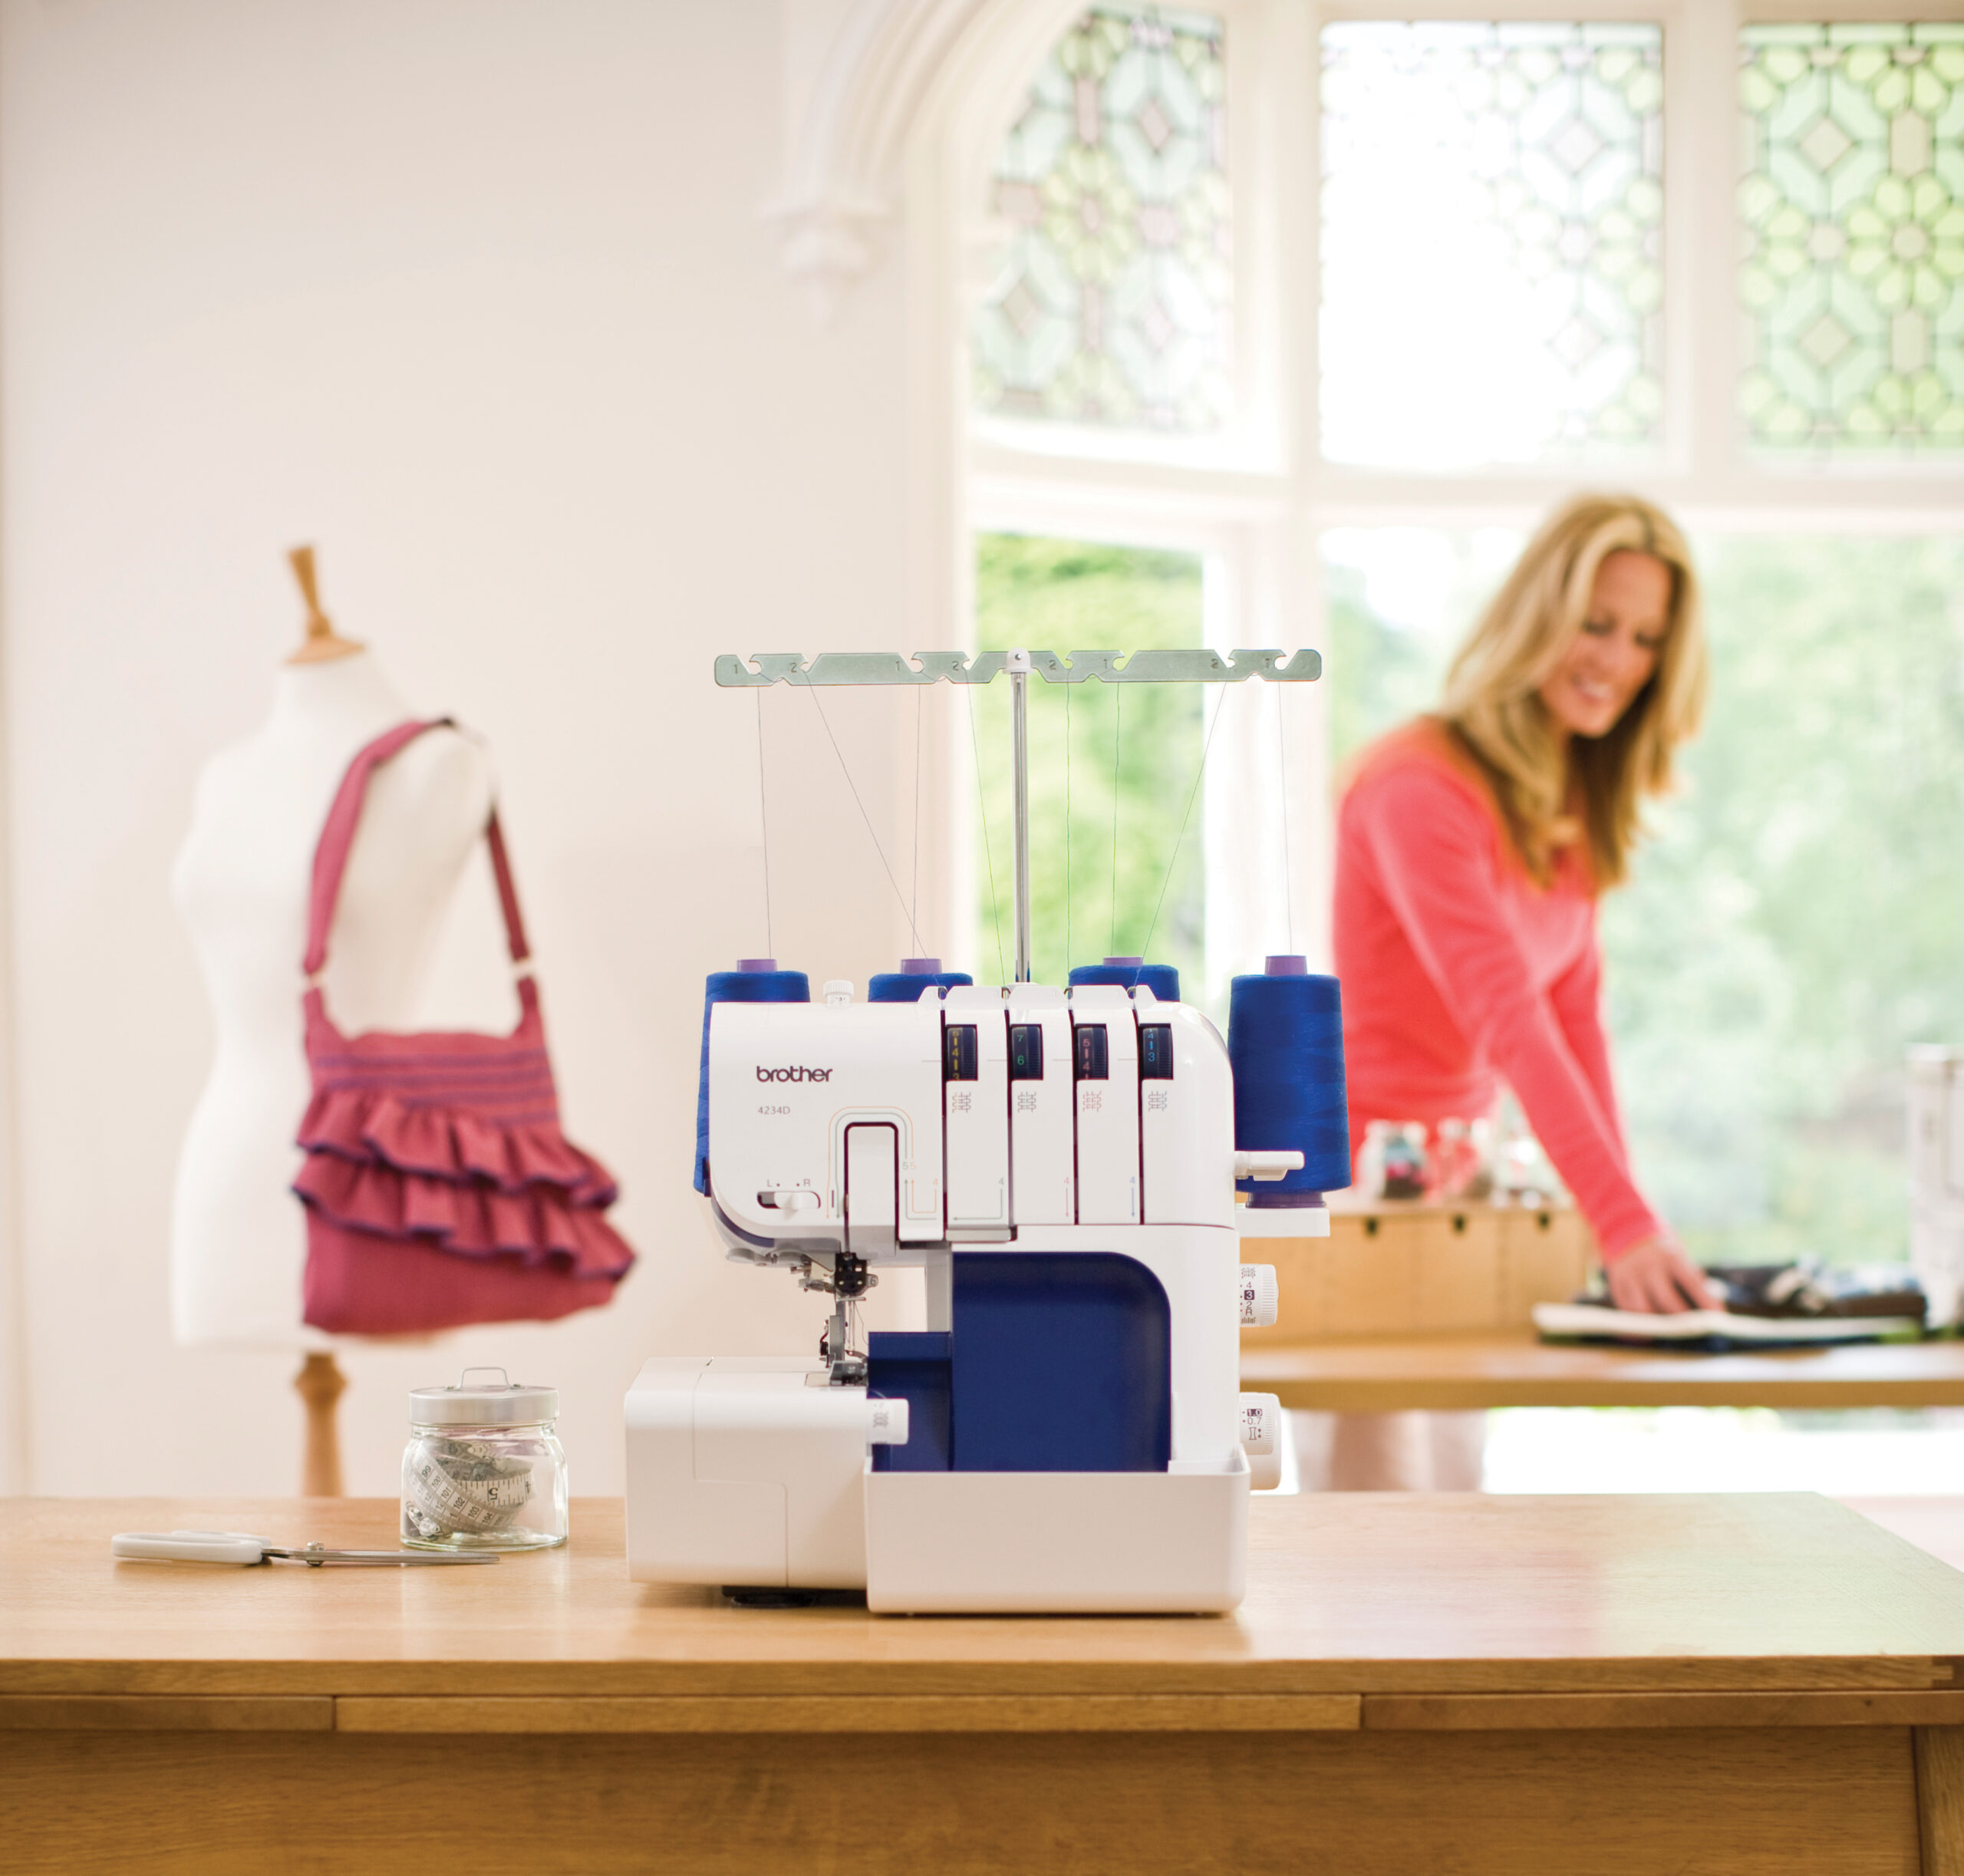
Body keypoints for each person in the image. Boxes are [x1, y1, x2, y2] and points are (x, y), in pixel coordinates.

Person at [1336, 493, 1717, 1318]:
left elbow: (1577, 1023)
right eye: (1596, 623)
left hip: (1459, 1193)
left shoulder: (1564, 801)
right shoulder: (1417, 787)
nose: (1619, 659)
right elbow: (1507, 1014)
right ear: (1537, 616)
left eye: (1646, 638)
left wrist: (1628, 1224)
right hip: (1354, 1193)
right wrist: (1619, 1224)